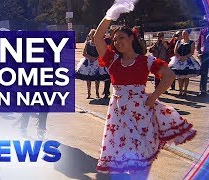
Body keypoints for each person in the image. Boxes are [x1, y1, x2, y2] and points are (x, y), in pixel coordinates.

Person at [93, 2, 196, 178]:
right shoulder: (112, 60)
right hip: (117, 114)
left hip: (140, 112)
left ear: (131, 38)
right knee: (121, 154)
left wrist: (154, 96)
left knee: (140, 154)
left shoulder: (145, 61)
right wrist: (111, 15)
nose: (117, 42)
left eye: (121, 38)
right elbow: (97, 37)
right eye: (115, 40)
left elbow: (169, 75)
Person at [76, 29, 109, 99]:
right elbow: (84, 53)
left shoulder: (99, 43)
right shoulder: (88, 43)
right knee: (88, 78)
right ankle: (89, 93)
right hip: (89, 61)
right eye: (92, 35)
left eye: (94, 35)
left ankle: (97, 93)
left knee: (97, 78)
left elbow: (102, 52)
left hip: (97, 61)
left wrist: (97, 57)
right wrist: (90, 57)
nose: (93, 37)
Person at [169, 30, 200, 96]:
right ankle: (180, 90)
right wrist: (179, 57)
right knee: (179, 77)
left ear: (188, 34)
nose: (184, 35)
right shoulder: (179, 41)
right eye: (183, 34)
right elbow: (175, 51)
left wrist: (185, 57)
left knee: (186, 76)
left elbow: (191, 52)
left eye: (185, 34)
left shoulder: (191, 42)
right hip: (178, 59)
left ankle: (185, 90)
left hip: (187, 59)